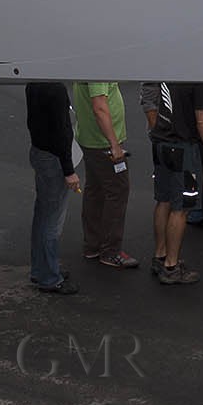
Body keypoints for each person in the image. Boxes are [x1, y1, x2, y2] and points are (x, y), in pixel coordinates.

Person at [146, 82, 203, 286]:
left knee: (164, 201)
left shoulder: (171, 70)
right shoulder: (201, 82)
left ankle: (160, 256)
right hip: (183, 149)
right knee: (181, 209)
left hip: (161, 143)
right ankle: (171, 267)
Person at [71, 82, 136, 268]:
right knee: (118, 191)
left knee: (95, 191)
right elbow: (99, 106)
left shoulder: (87, 62)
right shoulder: (97, 69)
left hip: (90, 139)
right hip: (103, 144)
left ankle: (92, 245)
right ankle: (111, 252)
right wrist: (114, 144)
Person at [26, 82, 79, 294]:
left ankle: (42, 269)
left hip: (39, 152)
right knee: (52, 221)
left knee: (42, 215)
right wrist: (69, 171)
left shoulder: (33, 83)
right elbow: (62, 131)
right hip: (54, 160)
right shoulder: (56, 90)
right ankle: (49, 277)